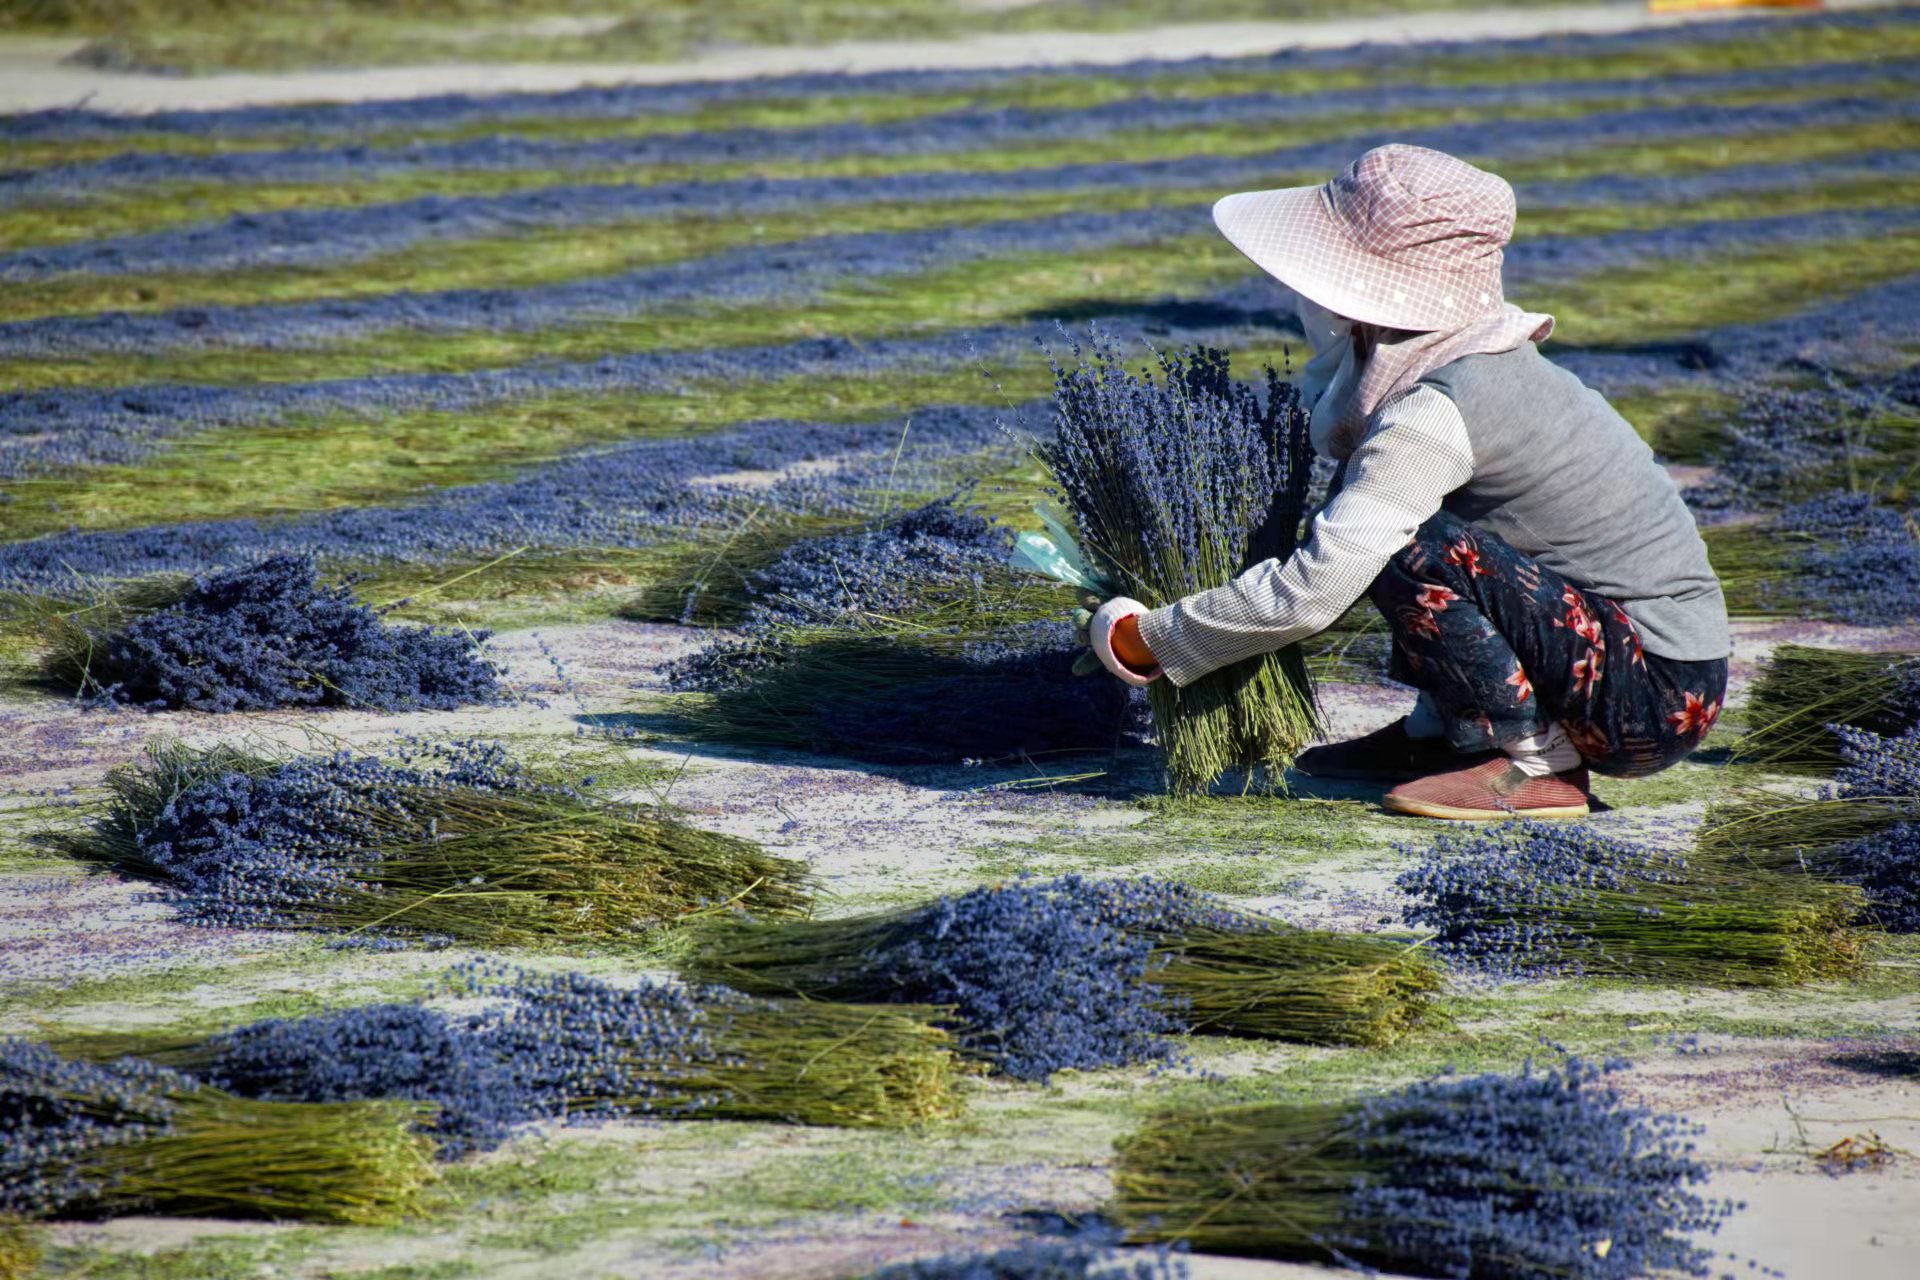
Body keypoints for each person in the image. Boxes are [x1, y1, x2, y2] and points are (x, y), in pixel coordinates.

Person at [1083, 144, 1729, 820]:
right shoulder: (1471, 363)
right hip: (1643, 667)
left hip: (1651, 694)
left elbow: (1315, 591)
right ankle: (1443, 737)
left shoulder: (1438, 408)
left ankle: (1531, 765)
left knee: (1394, 540)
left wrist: (1151, 639)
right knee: (1380, 515)